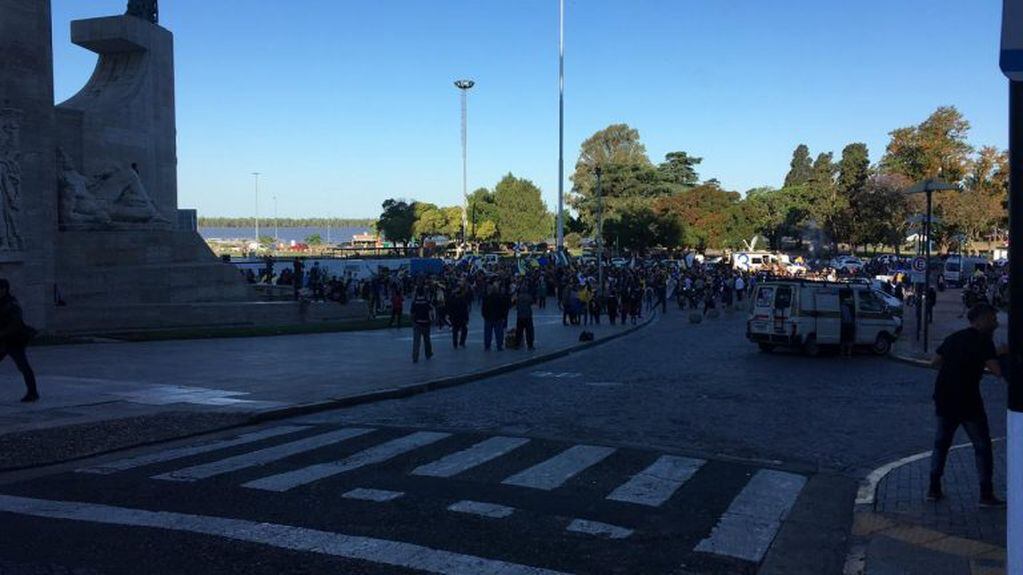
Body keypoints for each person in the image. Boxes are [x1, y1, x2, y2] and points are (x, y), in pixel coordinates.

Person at [927, 303, 1005, 507]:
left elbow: (934, 362)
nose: (996, 323)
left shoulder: (954, 338)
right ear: (980, 320)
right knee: (982, 446)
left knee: (941, 444)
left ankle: (933, 488)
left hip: (944, 397)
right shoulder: (984, 343)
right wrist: (1002, 353)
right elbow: (997, 371)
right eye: (992, 319)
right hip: (968, 400)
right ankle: (986, 494)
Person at [0, 279, 38, 402]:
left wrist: (2, 333)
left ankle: (32, 392)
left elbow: (15, 323)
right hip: (3, 341)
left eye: (2, 289)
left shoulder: (12, 304)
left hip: (13, 341)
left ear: (6, 289)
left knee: (23, 366)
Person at [410, 287, 433, 363]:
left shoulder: (415, 302)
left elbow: (412, 313)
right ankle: (428, 354)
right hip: (426, 323)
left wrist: (413, 321)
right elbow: (430, 312)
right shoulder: (427, 302)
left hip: (417, 323)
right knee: (427, 340)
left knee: (416, 341)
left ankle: (415, 357)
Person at [482, 284, 505, 351]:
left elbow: (484, 308)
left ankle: (487, 346)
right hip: (498, 318)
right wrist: (502, 316)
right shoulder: (499, 298)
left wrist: (485, 315)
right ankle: (499, 345)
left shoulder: (487, 298)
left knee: (488, 333)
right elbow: (502, 308)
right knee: (499, 333)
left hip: (488, 318)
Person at [513, 285, 536, 350]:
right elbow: (532, 303)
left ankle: (517, 344)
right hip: (528, 316)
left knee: (519, 331)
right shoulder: (529, 297)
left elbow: (516, 306)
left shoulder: (518, 297)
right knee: (529, 331)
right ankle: (530, 345)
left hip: (520, 316)